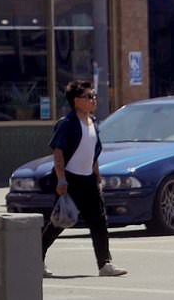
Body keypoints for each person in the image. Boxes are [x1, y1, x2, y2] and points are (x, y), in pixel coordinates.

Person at [41, 80, 127, 278]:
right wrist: (61, 180)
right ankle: (36, 258)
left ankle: (105, 264)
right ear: (76, 101)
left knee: (99, 221)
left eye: (94, 95)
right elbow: (59, 153)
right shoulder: (67, 124)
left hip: (88, 180)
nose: (93, 99)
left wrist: (97, 177)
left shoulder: (93, 122)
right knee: (59, 222)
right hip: (70, 180)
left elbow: (92, 153)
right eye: (89, 96)